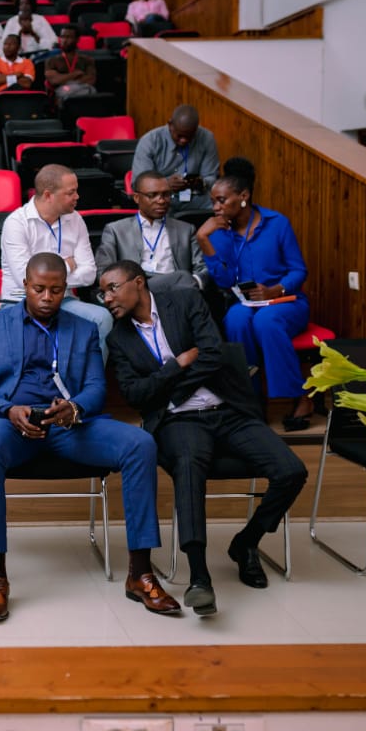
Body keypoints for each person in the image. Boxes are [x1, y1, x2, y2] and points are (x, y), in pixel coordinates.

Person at [0, 252, 175, 622]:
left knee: (140, 444)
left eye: (56, 290)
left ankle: (140, 574)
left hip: (68, 425)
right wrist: (6, 409)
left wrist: (75, 407)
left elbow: (95, 387)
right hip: (12, 421)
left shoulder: (84, 328)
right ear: (25, 286)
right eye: (39, 289)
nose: (47, 297)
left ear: (67, 290)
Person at [100, 260, 308, 612]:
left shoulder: (185, 301)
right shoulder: (118, 339)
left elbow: (213, 354)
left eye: (112, 288)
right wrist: (176, 365)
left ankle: (246, 542)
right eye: (102, 293)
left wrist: (170, 386)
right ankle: (199, 577)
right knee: (188, 466)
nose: (106, 298)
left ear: (138, 282)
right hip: (178, 421)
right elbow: (135, 395)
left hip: (228, 409)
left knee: (291, 471)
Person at [195, 170, 314, 430]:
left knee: (266, 322)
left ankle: (299, 397)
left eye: (221, 200)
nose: (215, 208)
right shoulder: (218, 232)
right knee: (235, 320)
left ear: (244, 196)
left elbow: (298, 270)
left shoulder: (277, 223)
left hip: (286, 301)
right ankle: (250, 399)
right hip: (245, 303)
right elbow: (225, 281)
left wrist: (275, 290)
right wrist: (204, 240)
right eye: (213, 201)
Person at [0, 164, 111, 351]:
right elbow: (24, 279)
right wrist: (66, 266)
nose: (77, 197)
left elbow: (89, 274)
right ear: (48, 195)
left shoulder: (75, 220)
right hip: (21, 301)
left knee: (102, 318)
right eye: (71, 192)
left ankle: (85, 372)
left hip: (63, 301)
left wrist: (47, 282)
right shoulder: (16, 223)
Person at [96, 171, 208, 292]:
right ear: (136, 198)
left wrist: (191, 285)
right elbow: (103, 272)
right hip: (135, 292)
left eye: (166, 194)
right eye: (152, 195)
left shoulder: (186, 230)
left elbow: (203, 268)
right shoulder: (116, 230)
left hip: (177, 290)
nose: (161, 201)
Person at [132, 104, 220, 213]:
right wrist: (165, 184)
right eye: (179, 136)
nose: (184, 140)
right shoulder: (150, 141)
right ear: (170, 125)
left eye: (189, 136)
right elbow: (139, 183)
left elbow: (212, 177)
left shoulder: (206, 138)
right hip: (160, 197)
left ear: (196, 130)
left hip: (195, 195)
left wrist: (200, 182)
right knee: (158, 209)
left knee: (220, 207)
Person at [43, 25, 97, 107]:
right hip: (62, 94)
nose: (64, 40)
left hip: (83, 91)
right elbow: (54, 80)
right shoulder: (51, 60)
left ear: (77, 39)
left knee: (91, 91)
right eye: (62, 37)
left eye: (68, 37)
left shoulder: (87, 60)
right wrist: (75, 74)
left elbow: (91, 80)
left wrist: (64, 79)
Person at [0, 33, 36, 99]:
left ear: (18, 47)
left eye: (11, 44)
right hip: (0, 97)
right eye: (5, 44)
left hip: (22, 97)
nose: (7, 47)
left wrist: (3, 78)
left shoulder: (27, 63)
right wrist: (16, 75)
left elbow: (27, 84)